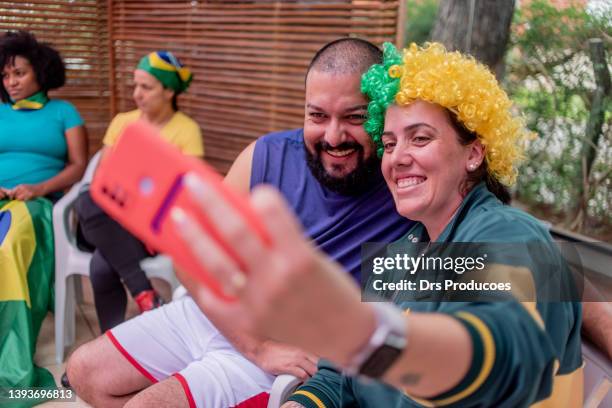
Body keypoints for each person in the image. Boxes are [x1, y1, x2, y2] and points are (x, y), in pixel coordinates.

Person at [171, 43, 585, 407]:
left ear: (474, 153)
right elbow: (339, 375)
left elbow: (501, 351)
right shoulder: (403, 250)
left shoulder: (505, 236)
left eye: (420, 138)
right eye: (389, 143)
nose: (398, 157)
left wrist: (365, 333)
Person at [67, 38, 414, 407]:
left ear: (381, 113)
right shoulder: (266, 154)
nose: (332, 136)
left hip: (290, 346)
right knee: (84, 371)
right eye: (317, 115)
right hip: (220, 317)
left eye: (354, 117)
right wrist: (253, 344)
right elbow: (188, 255)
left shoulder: (404, 184)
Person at [74, 51, 204, 333]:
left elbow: (184, 192)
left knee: (100, 267)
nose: (137, 94)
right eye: (136, 86)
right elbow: (103, 182)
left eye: (146, 87)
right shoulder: (123, 121)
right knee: (87, 199)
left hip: (150, 226)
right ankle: (144, 293)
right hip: (109, 216)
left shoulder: (187, 131)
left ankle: (112, 340)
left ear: (169, 91)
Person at [0, 30, 88, 397]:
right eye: (4, 76)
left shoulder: (63, 112)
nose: (11, 82)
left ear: (40, 70)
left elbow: (79, 166)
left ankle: (10, 361)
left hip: (35, 205)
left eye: (18, 73)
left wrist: (39, 189)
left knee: (7, 249)